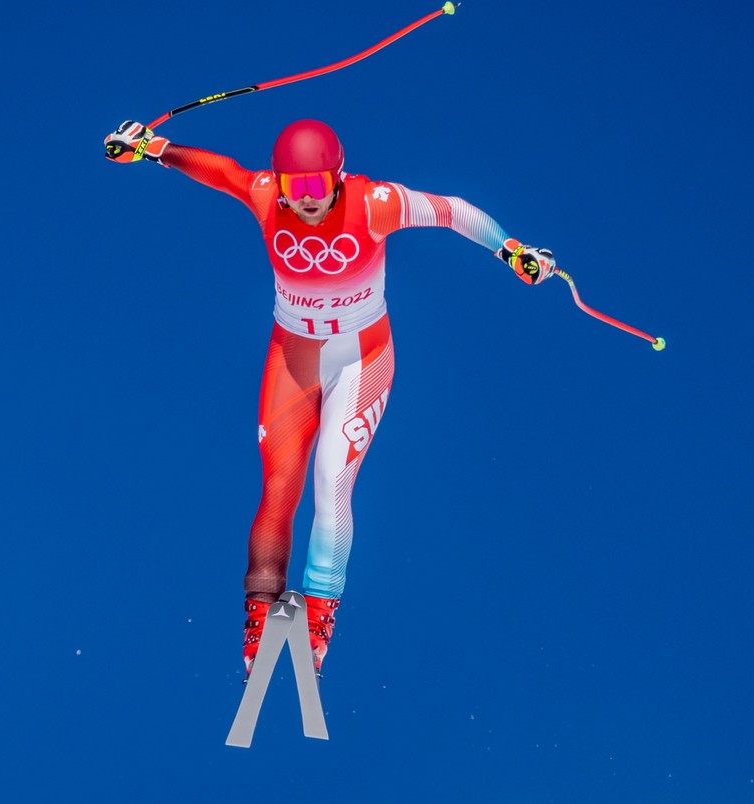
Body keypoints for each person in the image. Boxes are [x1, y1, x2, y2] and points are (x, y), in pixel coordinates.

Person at [104, 118, 557, 678]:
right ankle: (259, 617)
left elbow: (450, 210)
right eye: (296, 189)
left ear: (339, 180)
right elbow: (223, 173)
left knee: (330, 483)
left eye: (318, 187)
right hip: (292, 353)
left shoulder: (374, 202)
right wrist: (153, 149)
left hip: (361, 356)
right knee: (278, 486)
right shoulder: (269, 196)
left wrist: (510, 250)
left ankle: (318, 613)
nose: (307, 201)